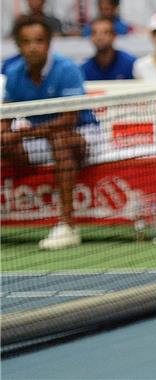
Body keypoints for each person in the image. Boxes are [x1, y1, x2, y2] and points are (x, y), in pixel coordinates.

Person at [2, 16, 96, 250]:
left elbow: (68, 120)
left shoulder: (67, 69)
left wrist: (22, 135)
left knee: (60, 140)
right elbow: (6, 118)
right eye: (26, 41)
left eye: (39, 40)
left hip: (82, 133)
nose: (33, 47)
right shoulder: (13, 73)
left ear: (49, 42)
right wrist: (4, 134)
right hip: (41, 138)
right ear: (19, 45)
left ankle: (68, 225)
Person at [81, 17, 136, 81]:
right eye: (94, 33)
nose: (99, 37)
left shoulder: (131, 64)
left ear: (114, 36)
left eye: (105, 33)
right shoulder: (85, 69)